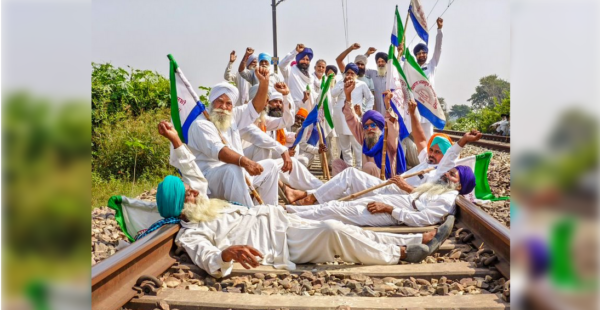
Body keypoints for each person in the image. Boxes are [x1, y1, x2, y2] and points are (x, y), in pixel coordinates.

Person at [157, 120, 454, 277]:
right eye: (188, 194)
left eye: (191, 189)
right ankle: (400, 253)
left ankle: (410, 242)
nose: (195, 191)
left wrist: (175, 140)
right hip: (278, 245)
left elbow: (192, 171)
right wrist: (225, 254)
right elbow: (208, 260)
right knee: (333, 230)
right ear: (182, 208)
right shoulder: (193, 233)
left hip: (280, 218)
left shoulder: (201, 203)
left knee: (336, 220)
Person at [286, 128, 482, 206]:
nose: (431, 154)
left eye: (437, 152)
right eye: (431, 150)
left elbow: (451, 156)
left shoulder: (441, 173)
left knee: (351, 176)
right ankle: (304, 195)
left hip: (396, 195)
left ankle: (308, 198)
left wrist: (463, 140)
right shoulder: (427, 162)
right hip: (388, 186)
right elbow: (422, 138)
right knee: (347, 184)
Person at [182, 66, 280, 207]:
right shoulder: (201, 125)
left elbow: (256, 107)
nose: (224, 107)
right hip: (210, 181)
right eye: (220, 101)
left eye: (228, 104)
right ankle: (249, 213)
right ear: (212, 102)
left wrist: (264, 82)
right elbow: (220, 151)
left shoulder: (232, 116)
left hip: (237, 175)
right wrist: (246, 162)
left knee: (270, 166)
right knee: (233, 169)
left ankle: (270, 210)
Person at [286, 165, 475, 227]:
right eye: (448, 172)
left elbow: (423, 219)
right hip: (393, 202)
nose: (445, 175)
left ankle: (290, 218)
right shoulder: (440, 190)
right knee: (336, 206)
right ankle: (290, 211)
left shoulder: (447, 199)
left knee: (335, 210)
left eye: (452, 175)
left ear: (459, 185)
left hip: (391, 212)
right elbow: (420, 200)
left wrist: (390, 209)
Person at [331, 90, 403, 178]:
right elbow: (351, 119)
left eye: (373, 125)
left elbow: (392, 123)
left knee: (369, 166)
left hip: (384, 183)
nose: (369, 129)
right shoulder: (365, 138)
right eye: (366, 127)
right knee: (337, 163)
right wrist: (348, 95)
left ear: (380, 126)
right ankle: (342, 189)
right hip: (365, 182)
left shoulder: (388, 140)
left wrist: (388, 105)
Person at [402, 17, 445, 142]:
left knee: (428, 137)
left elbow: (438, 49)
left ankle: (428, 160)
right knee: (415, 136)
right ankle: (417, 159)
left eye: (424, 52)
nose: (422, 55)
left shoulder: (431, 65)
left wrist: (439, 30)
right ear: (415, 56)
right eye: (419, 53)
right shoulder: (411, 68)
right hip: (415, 106)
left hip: (428, 105)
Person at [331, 65, 374, 171]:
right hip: (340, 117)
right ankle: (348, 169)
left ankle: (359, 168)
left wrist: (365, 112)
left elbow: (370, 98)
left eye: (352, 73)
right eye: (348, 73)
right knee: (344, 147)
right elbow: (333, 94)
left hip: (354, 117)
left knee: (357, 146)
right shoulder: (340, 82)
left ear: (356, 74)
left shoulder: (361, 84)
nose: (350, 75)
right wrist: (343, 85)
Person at [279, 44, 317, 112]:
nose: (305, 62)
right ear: (298, 59)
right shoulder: (290, 71)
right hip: (294, 110)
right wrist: (295, 51)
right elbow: (281, 65)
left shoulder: (311, 77)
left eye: (307, 60)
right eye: (303, 59)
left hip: (308, 111)